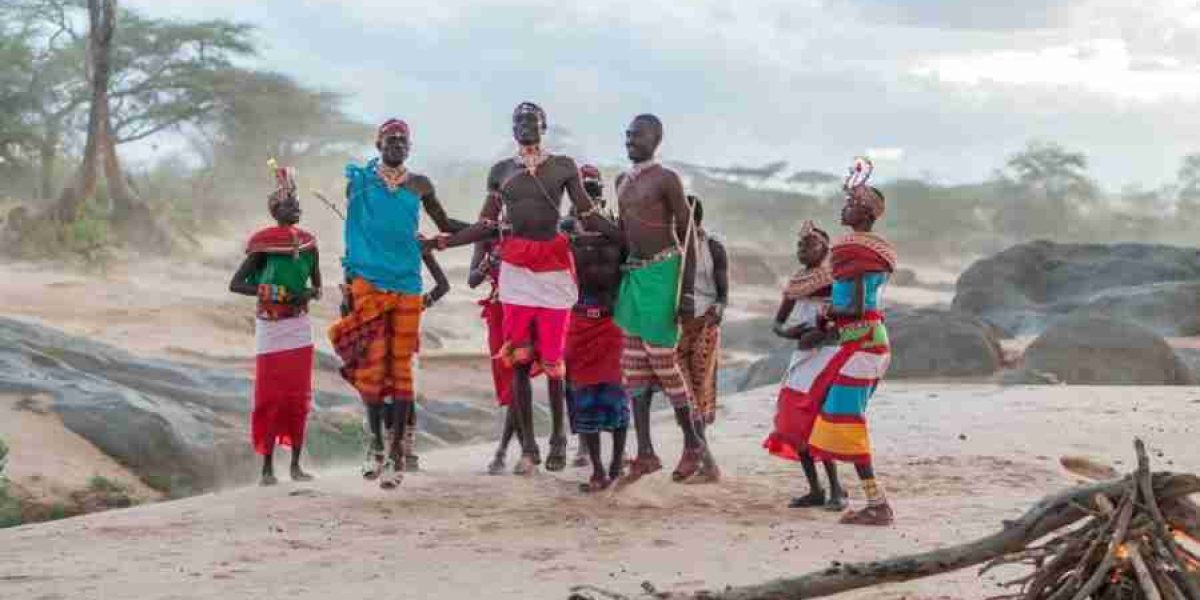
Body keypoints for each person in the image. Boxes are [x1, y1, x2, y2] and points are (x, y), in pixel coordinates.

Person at [425, 102, 617, 476]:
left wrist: (622, 237)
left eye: (531, 120)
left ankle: (560, 439)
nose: (525, 125)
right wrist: (443, 242)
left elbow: (587, 213)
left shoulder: (563, 166)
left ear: (544, 126)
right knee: (518, 359)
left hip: (553, 267)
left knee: (555, 362)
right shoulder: (501, 172)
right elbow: (485, 224)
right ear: (512, 129)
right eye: (518, 121)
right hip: (516, 270)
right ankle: (528, 447)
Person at [328, 118, 460, 489]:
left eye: (403, 140)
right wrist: (348, 286)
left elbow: (445, 223)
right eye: (391, 139)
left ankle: (397, 454)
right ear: (378, 143)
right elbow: (353, 233)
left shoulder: (420, 184)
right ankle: (374, 445)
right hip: (367, 283)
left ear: (410, 147)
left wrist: (489, 229)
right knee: (372, 368)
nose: (397, 144)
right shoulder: (360, 181)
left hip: (407, 285)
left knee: (400, 372)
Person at [614, 114, 718, 486]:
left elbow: (688, 234)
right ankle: (645, 452)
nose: (629, 140)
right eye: (626, 135)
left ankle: (692, 444)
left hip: (663, 273)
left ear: (656, 138)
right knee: (633, 367)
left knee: (662, 360)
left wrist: (687, 291)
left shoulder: (667, 178)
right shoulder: (621, 181)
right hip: (633, 275)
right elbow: (624, 234)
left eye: (636, 135)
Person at [808, 158, 898, 525]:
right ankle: (861, 498)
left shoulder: (852, 251)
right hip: (869, 340)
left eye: (848, 203)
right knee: (840, 417)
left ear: (862, 210)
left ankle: (878, 505)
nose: (842, 208)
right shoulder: (870, 250)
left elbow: (858, 306)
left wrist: (828, 322)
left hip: (863, 343)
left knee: (847, 420)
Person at [228, 163, 321, 486]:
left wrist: (306, 293)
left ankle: (295, 465)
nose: (295, 207)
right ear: (274, 210)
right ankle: (267, 468)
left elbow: (317, 287)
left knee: (297, 395)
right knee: (270, 395)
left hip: (299, 326)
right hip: (270, 326)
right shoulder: (263, 244)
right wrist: (276, 293)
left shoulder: (309, 242)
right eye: (288, 203)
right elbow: (237, 284)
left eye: (296, 203)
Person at [762, 220, 847, 511]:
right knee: (793, 421)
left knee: (818, 421)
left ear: (826, 248)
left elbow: (844, 319)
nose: (803, 249)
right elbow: (777, 323)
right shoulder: (798, 280)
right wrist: (792, 333)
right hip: (803, 358)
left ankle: (837, 489)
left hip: (828, 357)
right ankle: (816, 490)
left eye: (809, 244)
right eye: (799, 245)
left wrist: (822, 332)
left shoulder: (836, 279)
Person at [563, 164, 628, 492]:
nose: (589, 194)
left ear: (602, 192)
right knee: (582, 394)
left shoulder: (618, 229)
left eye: (593, 187)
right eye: (582, 188)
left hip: (613, 321)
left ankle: (616, 465)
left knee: (617, 394)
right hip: (577, 321)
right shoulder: (563, 230)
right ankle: (598, 470)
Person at [675, 195, 727, 455]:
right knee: (682, 390)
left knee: (700, 388)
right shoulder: (668, 247)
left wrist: (717, 310)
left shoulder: (713, 247)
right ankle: (699, 454)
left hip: (704, 322)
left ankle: (697, 453)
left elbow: (722, 293)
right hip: (676, 326)